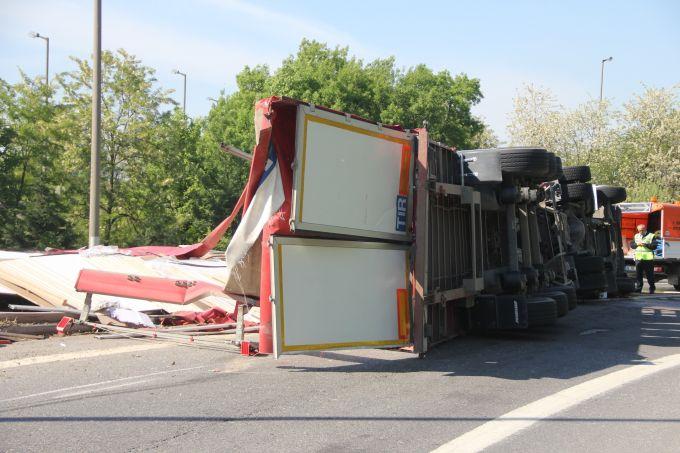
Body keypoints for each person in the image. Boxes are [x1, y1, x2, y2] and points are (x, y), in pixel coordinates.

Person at [631, 224, 657, 294]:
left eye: (642, 230)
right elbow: (632, 245)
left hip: (648, 259)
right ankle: (639, 289)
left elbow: (654, 246)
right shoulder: (636, 236)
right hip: (638, 258)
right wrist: (637, 244)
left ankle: (652, 288)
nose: (640, 232)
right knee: (638, 275)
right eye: (639, 230)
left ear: (645, 229)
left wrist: (646, 244)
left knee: (649, 275)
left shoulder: (651, 235)